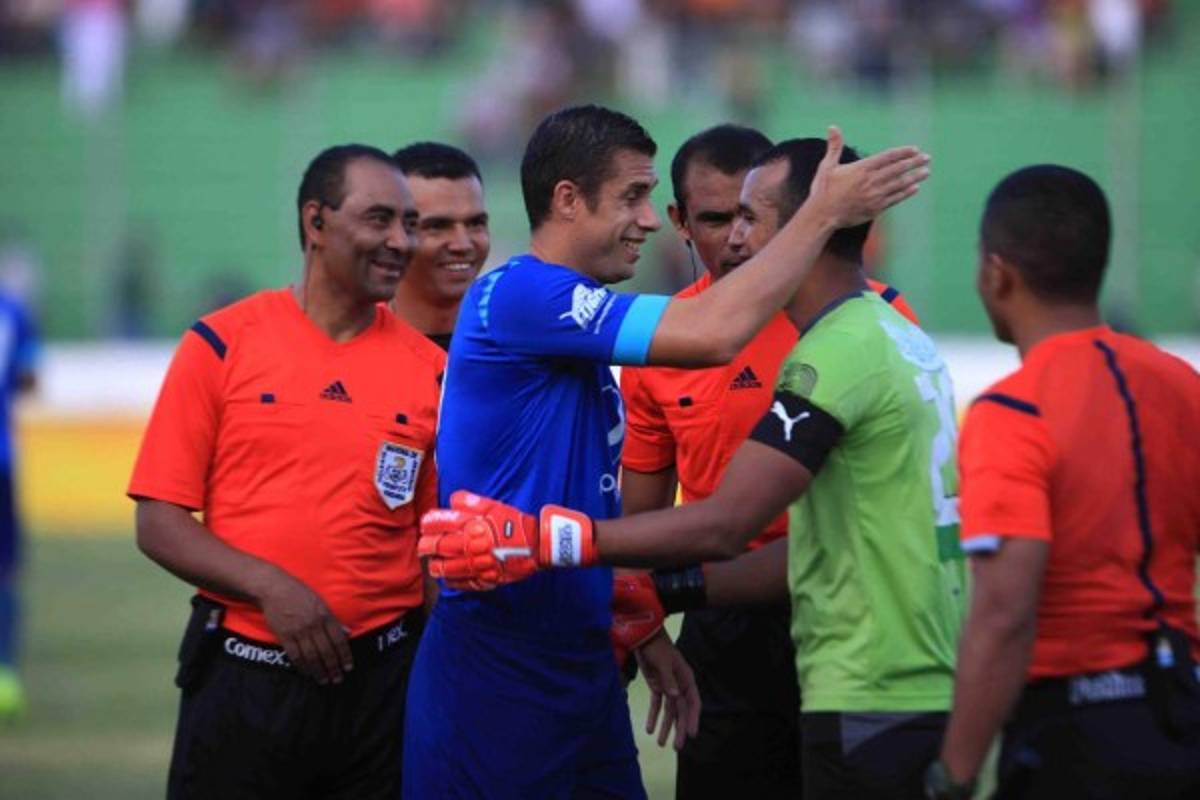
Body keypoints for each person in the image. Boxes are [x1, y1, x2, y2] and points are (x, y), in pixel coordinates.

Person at [408, 104, 931, 800]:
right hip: (501, 661)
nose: (652, 220)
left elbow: (590, 495)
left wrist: (639, 614)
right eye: (633, 196)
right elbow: (711, 333)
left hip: (582, 657)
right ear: (568, 199)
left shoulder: (577, 338)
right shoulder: (519, 295)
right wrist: (821, 216)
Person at [128, 144, 444, 798]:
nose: (400, 240)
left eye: (409, 223)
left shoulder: (433, 373)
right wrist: (273, 588)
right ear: (316, 223)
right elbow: (158, 521)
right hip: (243, 683)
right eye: (379, 218)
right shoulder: (220, 344)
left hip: (384, 688)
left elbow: (432, 549)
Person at [621, 124, 922, 798]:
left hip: (848, 620)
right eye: (715, 218)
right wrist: (646, 633)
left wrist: (551, 543)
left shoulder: (870, 319)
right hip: (723, 628)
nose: (734, 239)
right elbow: (638, 522)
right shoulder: (664, 340)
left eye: (749, 217)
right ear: (679, 221)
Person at [926, 165, 1200, 799]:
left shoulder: (1011, 410)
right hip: (1181, 706)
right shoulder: (1181, 387)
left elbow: (1003, 611)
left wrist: (955, 775)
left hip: (1074, 728)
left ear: (997, 273)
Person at [391, 141, 490, 351]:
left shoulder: (522, 351)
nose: (462, 244)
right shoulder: (350, 353)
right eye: (437, 226)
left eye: (475, 223)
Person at [0, 283, 38, 721]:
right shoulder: (12, 309)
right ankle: (6, 672)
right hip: (2, 459)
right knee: (6, 570)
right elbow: (28, 378)